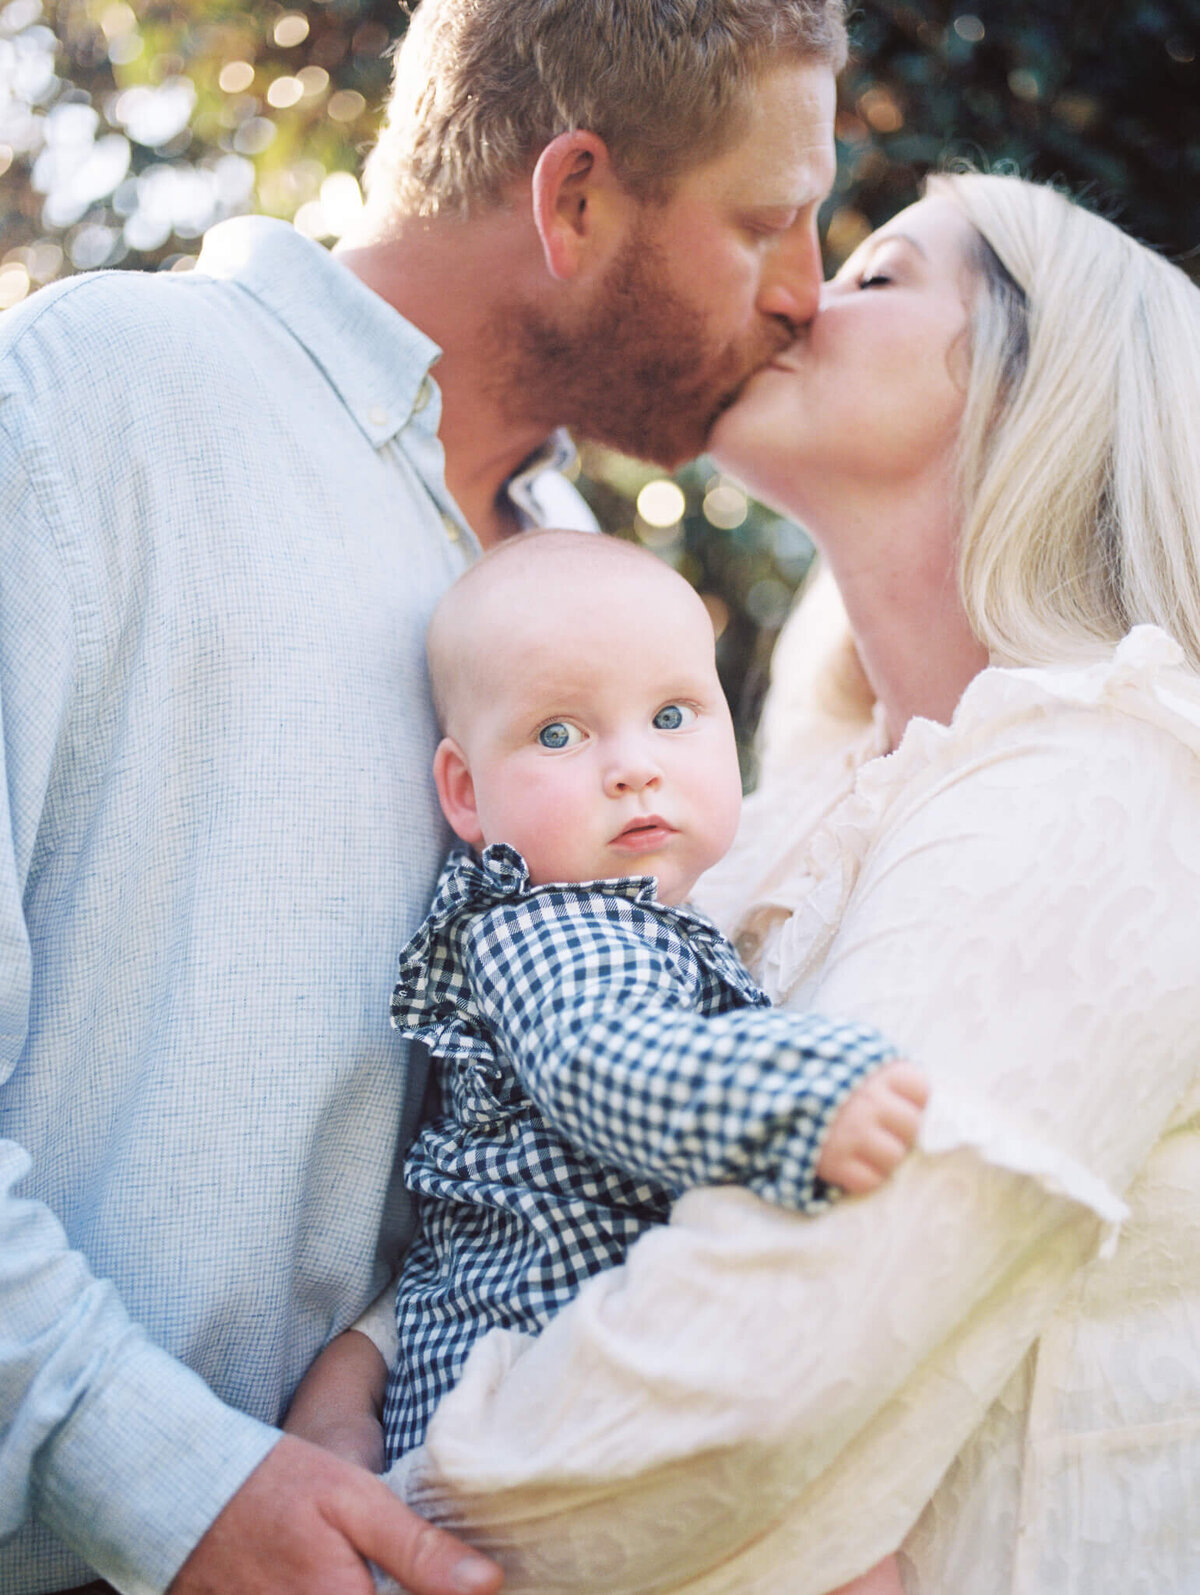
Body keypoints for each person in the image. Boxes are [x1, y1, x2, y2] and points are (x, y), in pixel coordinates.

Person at [0, 3, 847, 1593]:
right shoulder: (96, 402)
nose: (802, 291)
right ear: (575, 197)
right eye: (761, 222)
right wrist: (163, 1481)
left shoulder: (575, 598)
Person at [329, 174, 1200, 1593]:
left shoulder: (1103, 780)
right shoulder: (791, 809)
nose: (795, 296)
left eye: (879, 278)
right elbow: (575, 1142)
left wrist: (359, 1533)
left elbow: (755, 1371)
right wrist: (368, 1356)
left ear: (1028, 375)